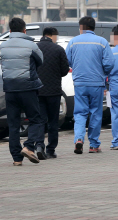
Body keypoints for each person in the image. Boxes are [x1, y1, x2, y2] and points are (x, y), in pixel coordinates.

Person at [66, 16, 114, 154]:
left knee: (80, 113)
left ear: (81, 27)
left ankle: (79, 139)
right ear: (94, 27)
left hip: (80, 83)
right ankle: (93, 145)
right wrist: (102, 72)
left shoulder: (73, 42)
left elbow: (67, 60)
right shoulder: (102, 42)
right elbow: (110, 63)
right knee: (95, 113)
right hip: (97, 83)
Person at [0, 17, 44, 165]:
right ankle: (29, 146)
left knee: (13, 124)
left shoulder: (3, 45)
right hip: (28, 87)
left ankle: (16, 159)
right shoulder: (31, 45)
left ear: (10, 30)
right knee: (36, 119)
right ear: (25, 30)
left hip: (10, 89)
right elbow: (40, 61)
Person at [35, 27, 69, 159]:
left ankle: (39, 145)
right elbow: (65, 70)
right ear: (53, 36)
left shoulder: (35, 48)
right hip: (54, 91)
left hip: (38, 90)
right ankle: (50, 149)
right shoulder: (58, 49)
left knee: (40, 120)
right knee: (53, 121)